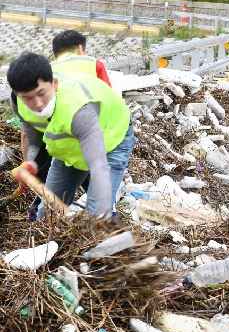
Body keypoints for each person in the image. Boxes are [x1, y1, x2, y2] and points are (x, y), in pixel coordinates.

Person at [8, 52, 135, 219]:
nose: (37, 104)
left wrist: (101, 216)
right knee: (47, 215)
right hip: (71, 144)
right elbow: (36, 143)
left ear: (54, 84)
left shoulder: (79, 109)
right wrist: (31, 165)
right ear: (18, 95)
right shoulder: (19, 103)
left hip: (111, 138)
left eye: (42, 93)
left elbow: (98, 165)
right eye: (28, 98)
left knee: (96, 217)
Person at [17, 30, 113, 220]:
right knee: (98, 195)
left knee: (50, 199)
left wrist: (29, 164)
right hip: (90, 140)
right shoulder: (93, 64)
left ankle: (39, 228)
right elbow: (107, 104)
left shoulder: (44, 72)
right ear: (80, 49)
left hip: (58, 142)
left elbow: (27, 134)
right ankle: (104, 222)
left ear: (54, 55)